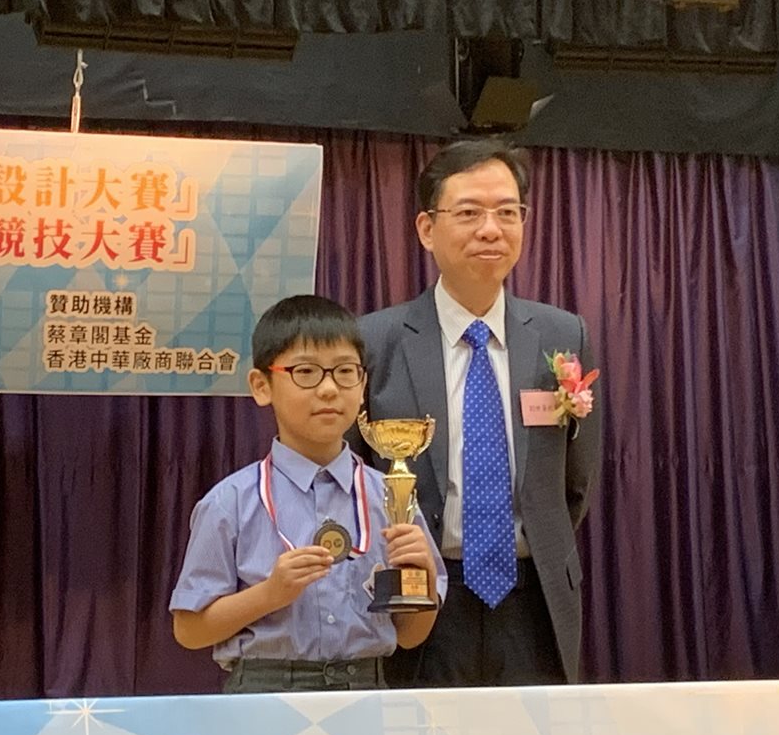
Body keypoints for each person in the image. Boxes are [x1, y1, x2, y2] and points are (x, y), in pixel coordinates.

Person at [359, 139, 600, 686]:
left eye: (507, 213)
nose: (491, 229)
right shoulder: (376, 340)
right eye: (469, 213)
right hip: (419, 595)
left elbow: (576, 481)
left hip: (533, 598)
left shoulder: (564, 335)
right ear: (427, 228)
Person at [171, 295, 445, 693]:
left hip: (365, 690)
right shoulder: (230, 502)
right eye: (306, 372)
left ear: (363, 385)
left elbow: (409, 636)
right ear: (261, 386)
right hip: (264, 693)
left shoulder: (391, 497)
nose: (329, 389)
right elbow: (190, 630)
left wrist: (425, 576)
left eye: (345, 371)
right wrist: (269, 594)